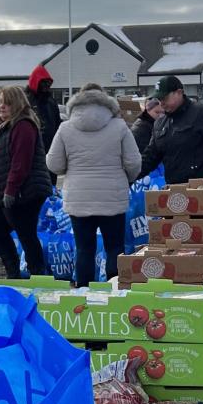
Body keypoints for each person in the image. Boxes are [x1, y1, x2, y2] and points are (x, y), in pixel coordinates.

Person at [46, 84, 141, 285]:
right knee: (115, 248)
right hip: (112, 198)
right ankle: (116, 289)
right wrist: (126, 178)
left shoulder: (65, 128)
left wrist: (70, 170)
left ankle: (83, 293)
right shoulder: (120, 127)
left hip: (79, 198)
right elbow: (134, 162)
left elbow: (54, 164)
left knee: (84, 249)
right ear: (106, 101)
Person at [0, 85, 52, 279]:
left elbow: (20, 162)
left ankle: (37, 274)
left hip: (23, 193)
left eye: (7, 103)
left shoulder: (22, 125)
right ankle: (14, 273)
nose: (2, 106)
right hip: (8, 191)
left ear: (18, 104)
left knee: (25, 233)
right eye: (0, 102)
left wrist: (10, 191)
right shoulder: (5, 126)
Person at [139, 75, 203, 183]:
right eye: (159, 99)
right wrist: (130, 174)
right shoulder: (160, 123)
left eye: (165, 98)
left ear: (179, 92)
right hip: (175, 187)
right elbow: (151, 155)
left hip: (201, 185)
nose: (161, 103)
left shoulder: (202, 113)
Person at [27, 64, 61, 150]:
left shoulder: (51, 102)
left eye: (48, 83)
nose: (46, 86)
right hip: (32, 146)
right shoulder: (26, 101)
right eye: (43, 83)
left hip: (50, 145)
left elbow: (57, 123)